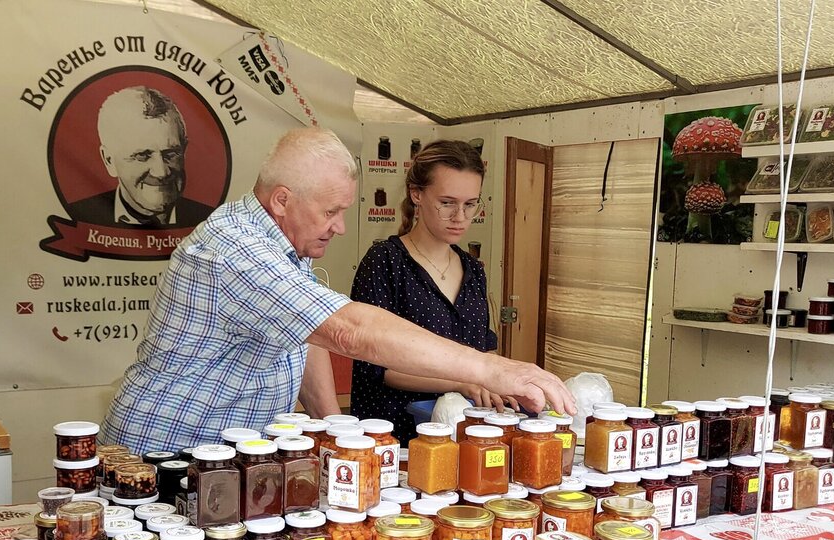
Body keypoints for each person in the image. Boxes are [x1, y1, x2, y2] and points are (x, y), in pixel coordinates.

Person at [101, 128, 575, 454]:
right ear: (283, 200)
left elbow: (306, 337)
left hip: (224, 451)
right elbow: (350, 332)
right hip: (161, 454)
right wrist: (494, 369)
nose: (341, 227)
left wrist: (334, 431)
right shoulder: (235, 250)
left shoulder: (285, 239)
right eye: (331, 212)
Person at [350, 140, 505, 442]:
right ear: (417, 194)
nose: (460, 216)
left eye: (471, 204)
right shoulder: (385, 262)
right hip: (393, 435)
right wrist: (461, 382)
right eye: (447, 202)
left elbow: (484, 351)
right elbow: (377, 366)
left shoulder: (474, 272)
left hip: (465, 433)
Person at [66, 86, 213, 228]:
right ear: (109, 161)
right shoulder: (75, 217)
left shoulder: (212, 220)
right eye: (143, 156)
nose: (161, 172)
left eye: (171, 154)